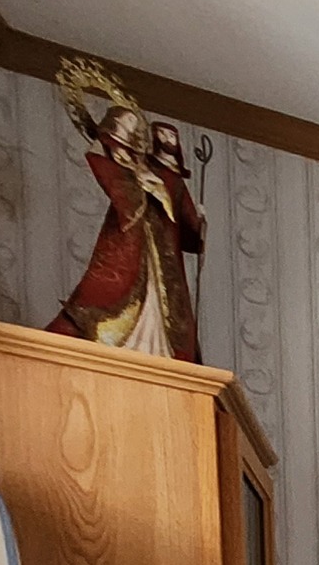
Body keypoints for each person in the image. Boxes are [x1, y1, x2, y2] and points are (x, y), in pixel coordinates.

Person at [43, 57, 205, 364]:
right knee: (118, 287)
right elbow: (117, 184)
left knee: (166, 300)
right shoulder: (123, 164)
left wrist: (198, 225)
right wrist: (140, 185)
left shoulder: (163, 175)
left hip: (162, 247)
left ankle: (159, 348)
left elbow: (185, 222)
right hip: (131, 239)